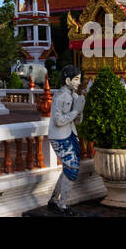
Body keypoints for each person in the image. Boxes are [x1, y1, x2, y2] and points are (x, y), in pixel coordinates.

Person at [46, 65, 86, 216]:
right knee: (72, 170)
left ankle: (54, 201)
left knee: (68, 169)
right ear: (67, 80)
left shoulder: (74, 96)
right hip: (59, 136)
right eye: (76, 79)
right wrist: (76, 111)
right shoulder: (60, 96)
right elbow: (58, 121)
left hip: (70, 134)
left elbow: (77, 122)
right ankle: (62, 205)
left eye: (79, 79)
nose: (78, 82)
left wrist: (80, 110)